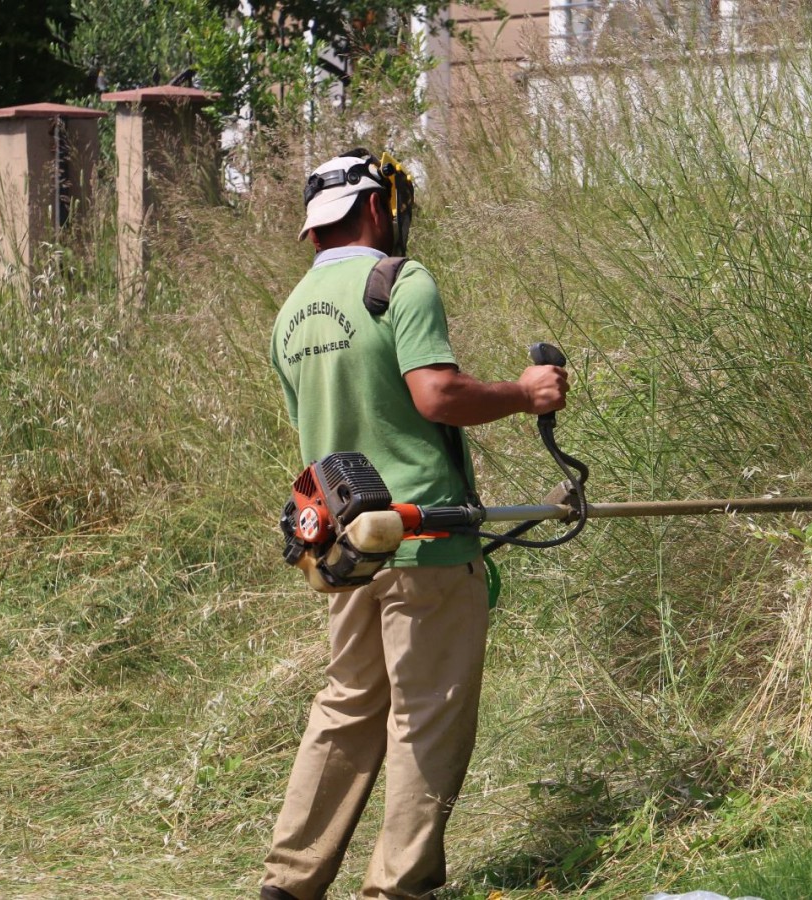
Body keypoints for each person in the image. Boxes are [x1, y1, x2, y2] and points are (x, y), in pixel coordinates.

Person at [261, 149, 568, 900]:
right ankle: (396, 889)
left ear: (314, 228)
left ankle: (288, 883)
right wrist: (526, 393)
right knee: (426, 716)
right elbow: (436, 395)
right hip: (422, 536)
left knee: (346, 707)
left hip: (342, 550)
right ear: (377, 208)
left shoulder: (290, 314)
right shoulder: (398, 281)